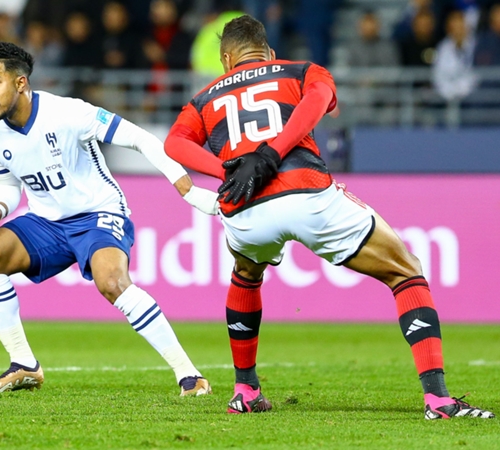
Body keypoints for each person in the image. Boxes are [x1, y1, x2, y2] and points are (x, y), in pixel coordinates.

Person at [164, 14, 494, 419]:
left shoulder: (204, 97)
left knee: (246, 273)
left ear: (226, 60)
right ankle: (438, 400)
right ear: (269, 52)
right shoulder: (301, 70)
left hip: (245, 207)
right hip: (306, 193)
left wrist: (229, 170)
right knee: (406, 272)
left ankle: (246, 390)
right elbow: (318, 101)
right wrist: (273, 152)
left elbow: (174, 143)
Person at [0, 42, 219, 396]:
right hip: (46, 223)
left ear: (21, 83)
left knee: (112, 282)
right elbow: (7, 185)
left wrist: (188, 189)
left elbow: (140, 138)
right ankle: (24, 364)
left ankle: (189, 375)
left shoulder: (69, 113)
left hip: (97, 213)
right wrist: (0, 207)